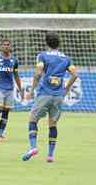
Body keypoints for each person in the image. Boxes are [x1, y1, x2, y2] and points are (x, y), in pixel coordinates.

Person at [22, 32, 78, 162]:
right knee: (52, 124)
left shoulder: (43, 56)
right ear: (59, 43)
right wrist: (65, 89)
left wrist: (31, 91)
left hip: (44, 94)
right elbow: (75, 74)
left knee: (32, 120)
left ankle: (33, 147)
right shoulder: (66, 58)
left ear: (46, 43)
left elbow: (38, 73)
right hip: (58, 96)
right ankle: (50, 155)